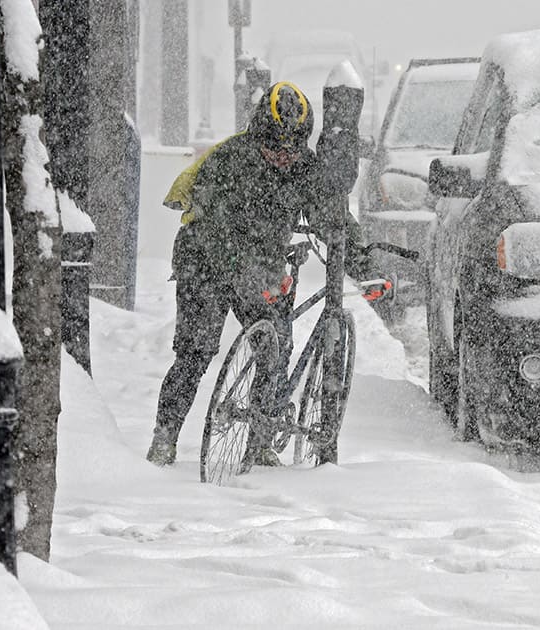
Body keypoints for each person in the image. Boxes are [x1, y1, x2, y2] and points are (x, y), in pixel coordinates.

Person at [147, 81, 389, 466]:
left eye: (294, 145)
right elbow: (215, 233)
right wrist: (254, 275)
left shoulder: (305, 169)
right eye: (275, 145)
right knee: (196, 351)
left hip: (258, 267)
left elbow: (333, 219)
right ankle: (164, 437)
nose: (284, 155)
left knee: (275, 346)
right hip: (204, 260)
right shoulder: (229, 161)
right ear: (258, 135)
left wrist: (365, 268)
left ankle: (258, 442)